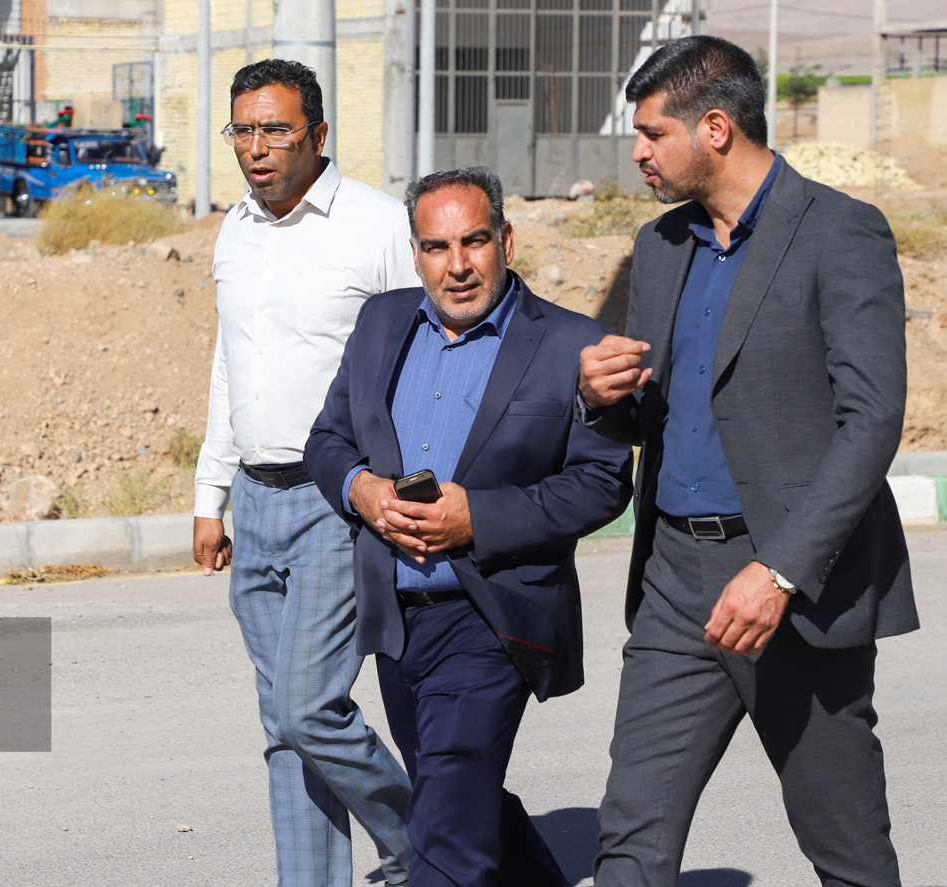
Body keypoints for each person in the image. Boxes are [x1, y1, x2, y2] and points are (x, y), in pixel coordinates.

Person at [577, 35, 918, 886]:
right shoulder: (660, 245)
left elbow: (871, 419)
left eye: (652, 133)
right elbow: (653, 412)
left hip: (795, 586)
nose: (637, 151)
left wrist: (779, 572)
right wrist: (601, 396)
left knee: (847, 853)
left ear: (715, 129)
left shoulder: (839, 231)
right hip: (674, 581)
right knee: (630, 839)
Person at [305, 166, 632, 887]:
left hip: (492, 616)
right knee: (452, 795)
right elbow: (327, 439)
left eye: (474, 241)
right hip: (395, 618)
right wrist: (361, 489)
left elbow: (602, 483)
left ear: (505, 241)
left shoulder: (570, 343)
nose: (456, 265)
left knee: (447, 837)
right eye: (436, 247)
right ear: (415, 252)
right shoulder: (381, 322)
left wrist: (475, 517)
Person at [192, 59, 421, 887]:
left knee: (307, 708)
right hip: (254, 504)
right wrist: (210, 492)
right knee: (281, 727)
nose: (255, 148)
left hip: (335, 500)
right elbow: (231, 363)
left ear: (318, 134)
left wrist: (407, 487)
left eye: (275, 129)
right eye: (242, 130)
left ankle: (424, 844)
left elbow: (426, 354)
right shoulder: (234, 229)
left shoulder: (377, 226)